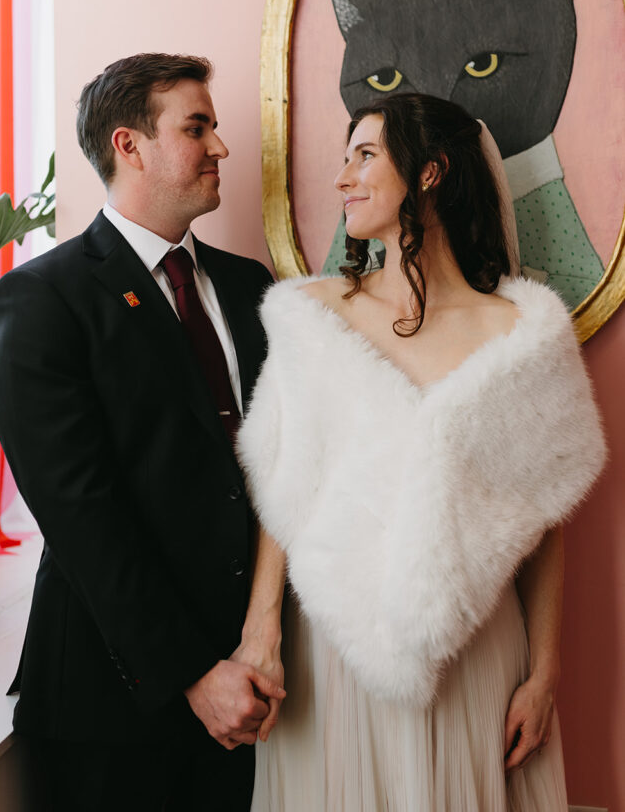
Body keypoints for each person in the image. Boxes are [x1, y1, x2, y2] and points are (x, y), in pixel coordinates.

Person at [234, 93, 606, 811]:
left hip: (473, 654)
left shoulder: (520, 336)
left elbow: (544, 517)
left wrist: (545, 671)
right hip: (334, 653)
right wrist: (260, 633)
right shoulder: (312, 320)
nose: (343, 175)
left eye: (365, 154)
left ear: (430, 172)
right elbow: (285, 489)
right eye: (344, 157)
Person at [0, 53, 282, 812]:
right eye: (197, 127)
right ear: (130, 146)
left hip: (252, 699)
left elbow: (280, 473)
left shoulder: (253, 287)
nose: (220, 147)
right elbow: (82, 514)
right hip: (107, 709)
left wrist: (257, 646)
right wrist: (192, 674)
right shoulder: (43, 299)